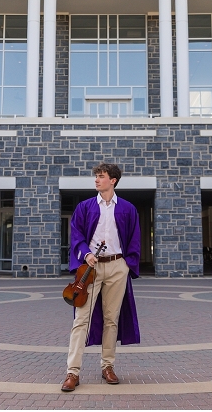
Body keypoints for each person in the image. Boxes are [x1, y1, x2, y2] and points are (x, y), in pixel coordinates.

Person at [61, 163, 141, 392]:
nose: (96, 180)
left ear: (113, 180)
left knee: (111, 319)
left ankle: (107, 366)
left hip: (117, 267)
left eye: (101, 176)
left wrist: (126, 264)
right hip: (90, 269)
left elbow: (134, 239)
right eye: (96, 176)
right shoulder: (85, 207)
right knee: (81, 319)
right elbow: (76, 235)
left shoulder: (127, 208)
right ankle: (72, 372)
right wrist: (85, 254)